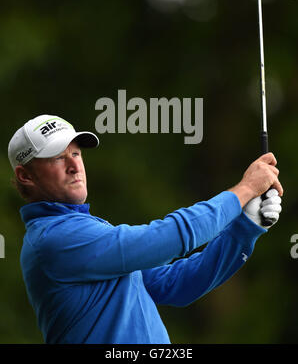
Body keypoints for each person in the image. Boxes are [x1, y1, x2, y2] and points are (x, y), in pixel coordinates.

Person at [8, 114, 283, 344]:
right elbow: (168, 237)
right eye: (57, 157)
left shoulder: (85, 231)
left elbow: (178, 282)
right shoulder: (55, 239)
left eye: (76, 153)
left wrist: (245, 226)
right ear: (25, 176)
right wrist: (245, 190)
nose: (74, 165)